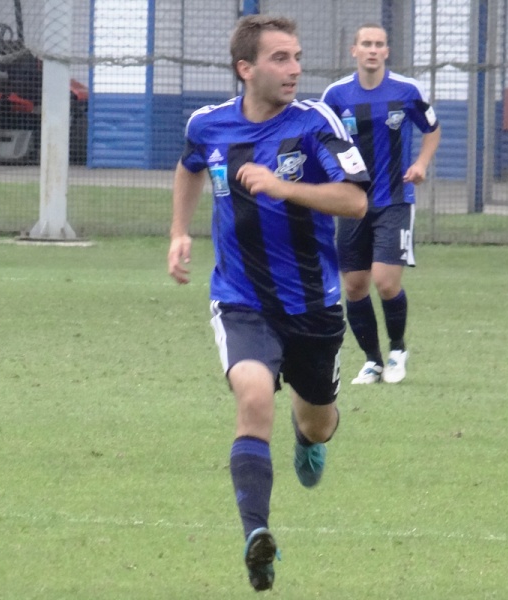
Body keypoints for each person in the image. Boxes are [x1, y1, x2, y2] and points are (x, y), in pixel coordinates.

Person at [167, 15, 369, 592]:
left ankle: (308, 439)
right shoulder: (208, 124)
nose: (295, 69)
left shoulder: (315, 123)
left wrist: (284, 186)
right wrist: (179, 232)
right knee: (254, 398)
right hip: (240, 299)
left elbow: (355, 201)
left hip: (313, 306)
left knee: (318, 422)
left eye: (297, 57)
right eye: (281, 58)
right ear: (245, 68)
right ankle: (257, 535)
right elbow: (189, 167)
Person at [320, 23, 441, 384]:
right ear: (354, 50)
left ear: (387, 51)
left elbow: (432, 128)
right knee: (355, 286)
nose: (372, 50)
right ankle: (372, 361)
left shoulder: (406, 90)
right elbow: (320, 138)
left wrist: (421, 164)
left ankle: (397, 351)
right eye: (366, 44)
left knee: (386, 282)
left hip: (395, 200)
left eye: (379, 44)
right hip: (352, 202)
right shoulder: (336, 95)